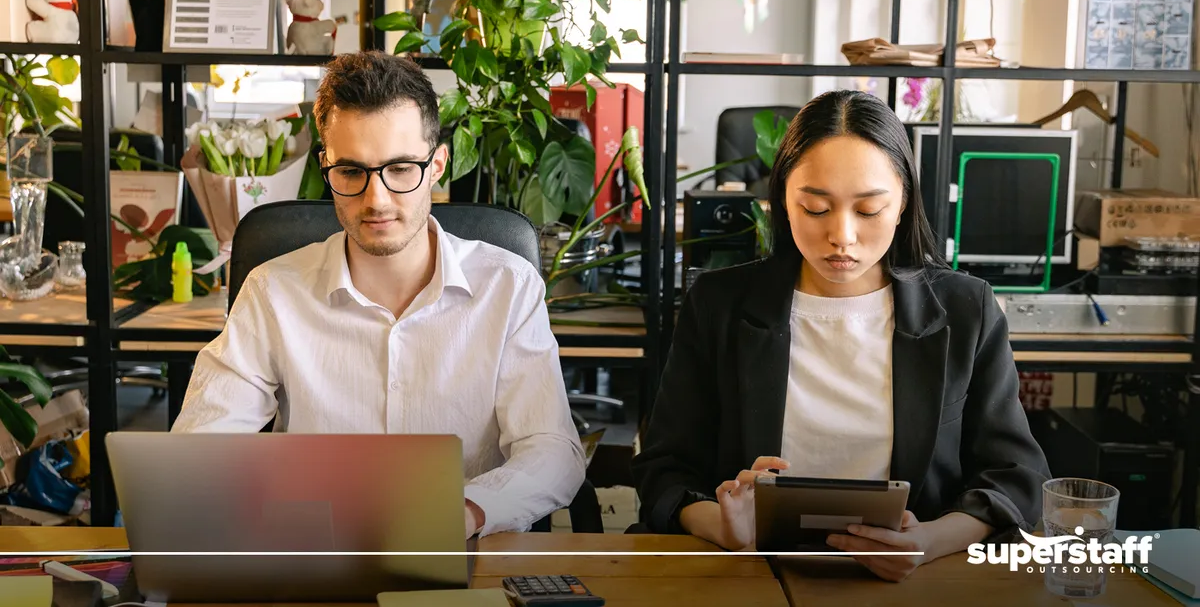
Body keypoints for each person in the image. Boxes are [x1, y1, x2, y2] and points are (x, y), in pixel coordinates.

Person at [631, 90, 1050, 581]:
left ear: (903, 205)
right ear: (782, 199)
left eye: (869, 210)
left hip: (915, 587)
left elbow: (1016, 476)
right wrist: (722, 526)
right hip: (752, 580)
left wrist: (929, 541)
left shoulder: (965, 309)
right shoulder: (719, 305)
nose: (842, 236)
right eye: (814, 208)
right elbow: (663, 465)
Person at [173, 51, 585, 540]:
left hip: (459, 552)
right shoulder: (271, 292)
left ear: (437, 166)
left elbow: (552, 448)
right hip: (316, 556)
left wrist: (470, 510)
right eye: (351, 172)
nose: (377, 200)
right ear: (326, 167)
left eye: (401, 169)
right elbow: (201, 449)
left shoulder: (508, 287)